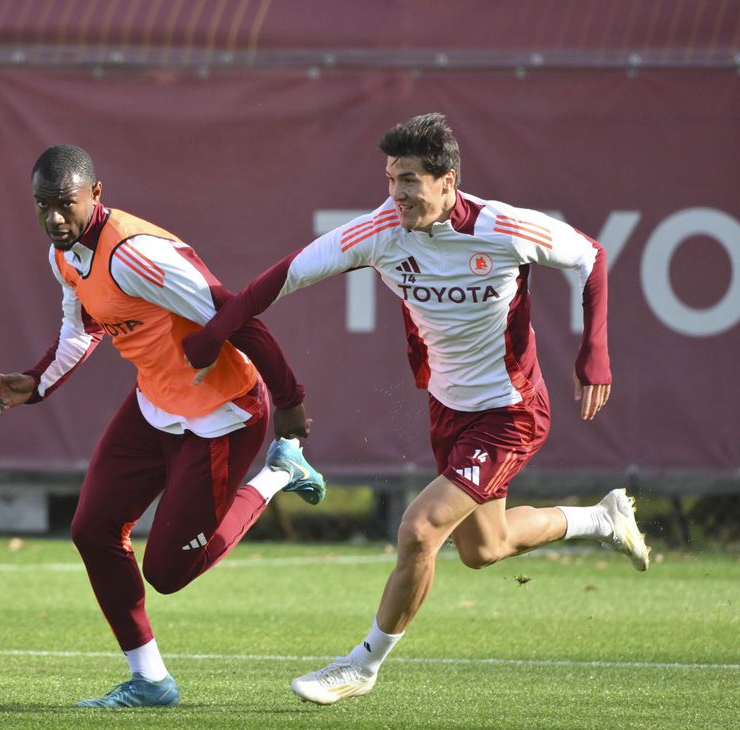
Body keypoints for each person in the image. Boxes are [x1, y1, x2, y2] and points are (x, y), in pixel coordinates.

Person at [183, 113, 650, 705]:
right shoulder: (378, 232)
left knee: (420, 529)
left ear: (447, 180)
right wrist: (211, 336)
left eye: (408, 180)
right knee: (486, 548)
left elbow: (592, 257)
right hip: (449, 410)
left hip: (510, 412)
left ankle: (362, 664)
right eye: (389, 179)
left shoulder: (500, 226)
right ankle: (601, 520)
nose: (396, 194)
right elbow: (278, 282)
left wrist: (595, 354)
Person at [0, 144, 326, 709]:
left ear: (95, 195)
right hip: (153, 408)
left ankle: (278, 474)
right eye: (42, 205)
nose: (53, 218)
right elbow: (83, 329)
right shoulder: (65, 254)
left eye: (64, 204)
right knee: (92, 531)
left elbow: (238, 314)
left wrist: (290, 403)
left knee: (168, 572)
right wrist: (37, 381)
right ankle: (150, 681)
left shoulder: (136, 255)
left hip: (224, 414)